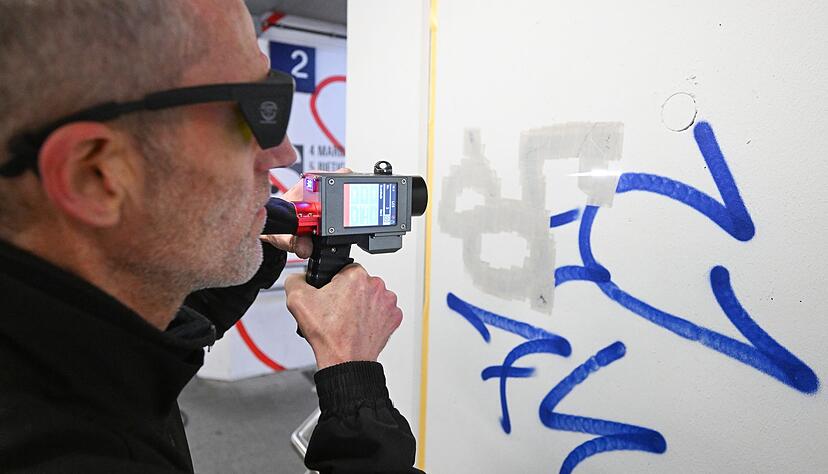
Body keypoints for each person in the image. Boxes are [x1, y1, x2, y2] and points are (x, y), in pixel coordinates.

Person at [0, 0, 423, 472]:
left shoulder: (64, 350)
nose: (281, 153)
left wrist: (254, 233)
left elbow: (158, 332)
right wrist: (352, 380)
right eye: (256, 112)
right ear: (95, 174)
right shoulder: (66, 454)